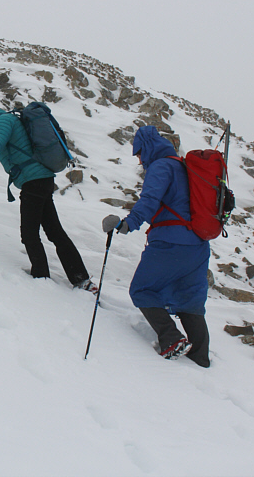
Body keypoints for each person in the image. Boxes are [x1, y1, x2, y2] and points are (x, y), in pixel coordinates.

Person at [0, 102, 92, 290]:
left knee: (29, 233)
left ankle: (41, 278)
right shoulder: (1, 124)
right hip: (39, 180)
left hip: (34, 182)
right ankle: (81, 279)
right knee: (54, 232)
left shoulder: (3, 121)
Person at [103, 125, 211, 367]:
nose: (140, 160)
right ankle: (200, 360)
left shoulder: (161, 167)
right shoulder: (183, 167)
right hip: (198, 245)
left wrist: (128, 223)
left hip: (171, 242)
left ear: (147, 148)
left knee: (141, 290)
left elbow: (150, 200)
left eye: (139, 153)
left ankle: (171, 340)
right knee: (190, 299)